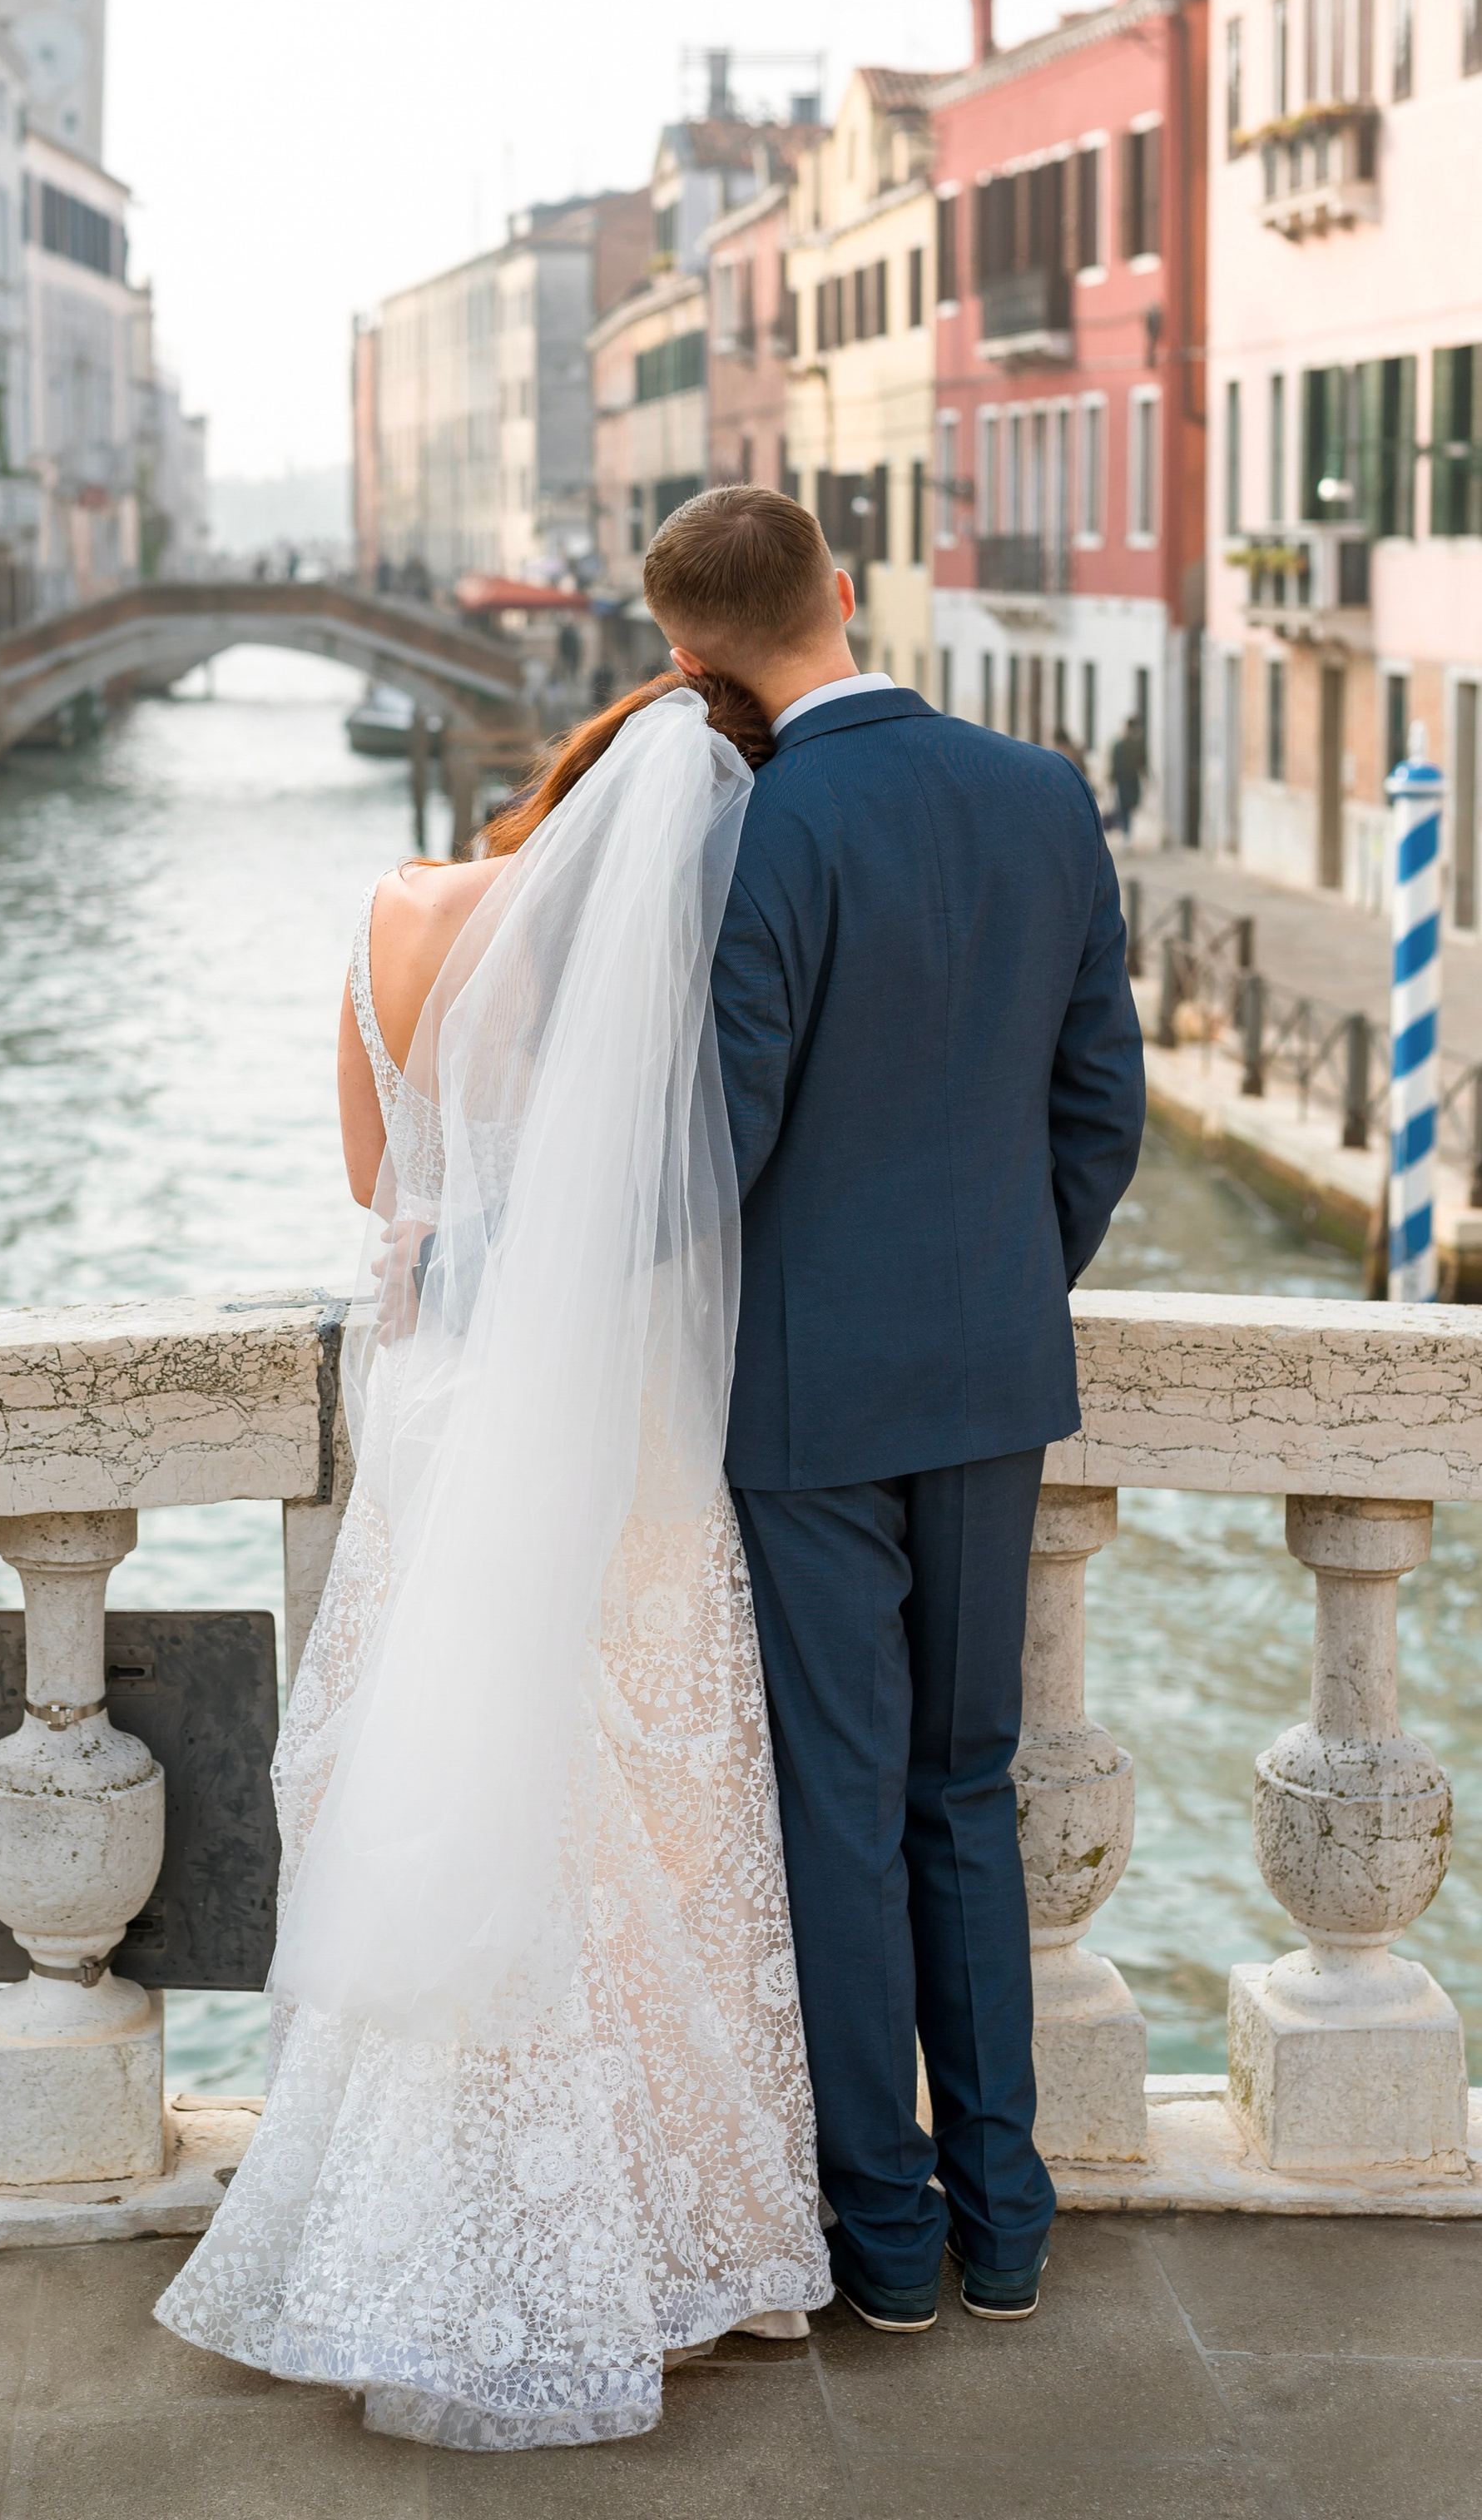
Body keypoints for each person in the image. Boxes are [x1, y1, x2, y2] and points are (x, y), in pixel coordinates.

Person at [156, 652, 831, 2448]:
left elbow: (375, 1180)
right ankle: (663, 2226)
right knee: (634, 1809)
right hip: (617, 1413)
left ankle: (410, 2217)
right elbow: (701, 1197)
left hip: (437, 1396)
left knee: (435, 1759)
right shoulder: (667, 972)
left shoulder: (396, 906)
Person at [648, 486, 1143, 2336]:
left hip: (805, 1399)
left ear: (695, 667)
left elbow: (722, 1145)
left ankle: (885, 2243)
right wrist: (1008, 1279)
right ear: (845, 597)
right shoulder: (1039, 793)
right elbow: (1098, 1105)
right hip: (994, 1377)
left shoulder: (766, 829)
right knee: (965, 1784)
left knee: (840, 1806)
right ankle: (1002, 2219)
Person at [1108, 712, 1146, 836]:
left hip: (1130, 780)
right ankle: (1126, 833)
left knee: (1127, 808)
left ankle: (1126, 832)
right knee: (1125, 808)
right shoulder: (1121, 745)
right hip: (1125, 780)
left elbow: (1142, 763)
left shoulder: (1131, 744)